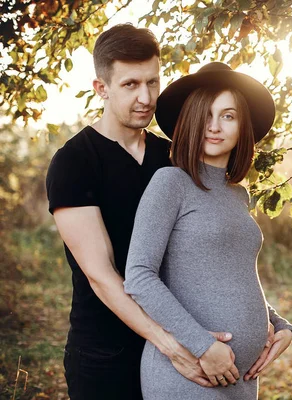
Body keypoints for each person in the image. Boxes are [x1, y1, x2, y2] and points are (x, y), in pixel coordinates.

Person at [46, 24, 234, 400]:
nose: (146, 97)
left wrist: (271, 320)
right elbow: (103, 277)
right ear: (102, 88)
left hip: (183, 340)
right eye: (131, 84)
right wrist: (173, 345)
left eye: (153, 82)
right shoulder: (74, 162)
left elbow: (215, 250)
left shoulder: (176, 156)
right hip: (105, 354)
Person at [123, 61, 292, 399]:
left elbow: (233, 275)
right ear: (189, 122)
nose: (214, 127)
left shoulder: (238, 194)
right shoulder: (171, 183)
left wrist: (278, 325)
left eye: (228, 116)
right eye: (205, 115)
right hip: (191, 374)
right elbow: (139, 276)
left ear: (242, 126)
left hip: (243, 378)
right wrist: (203, 346)